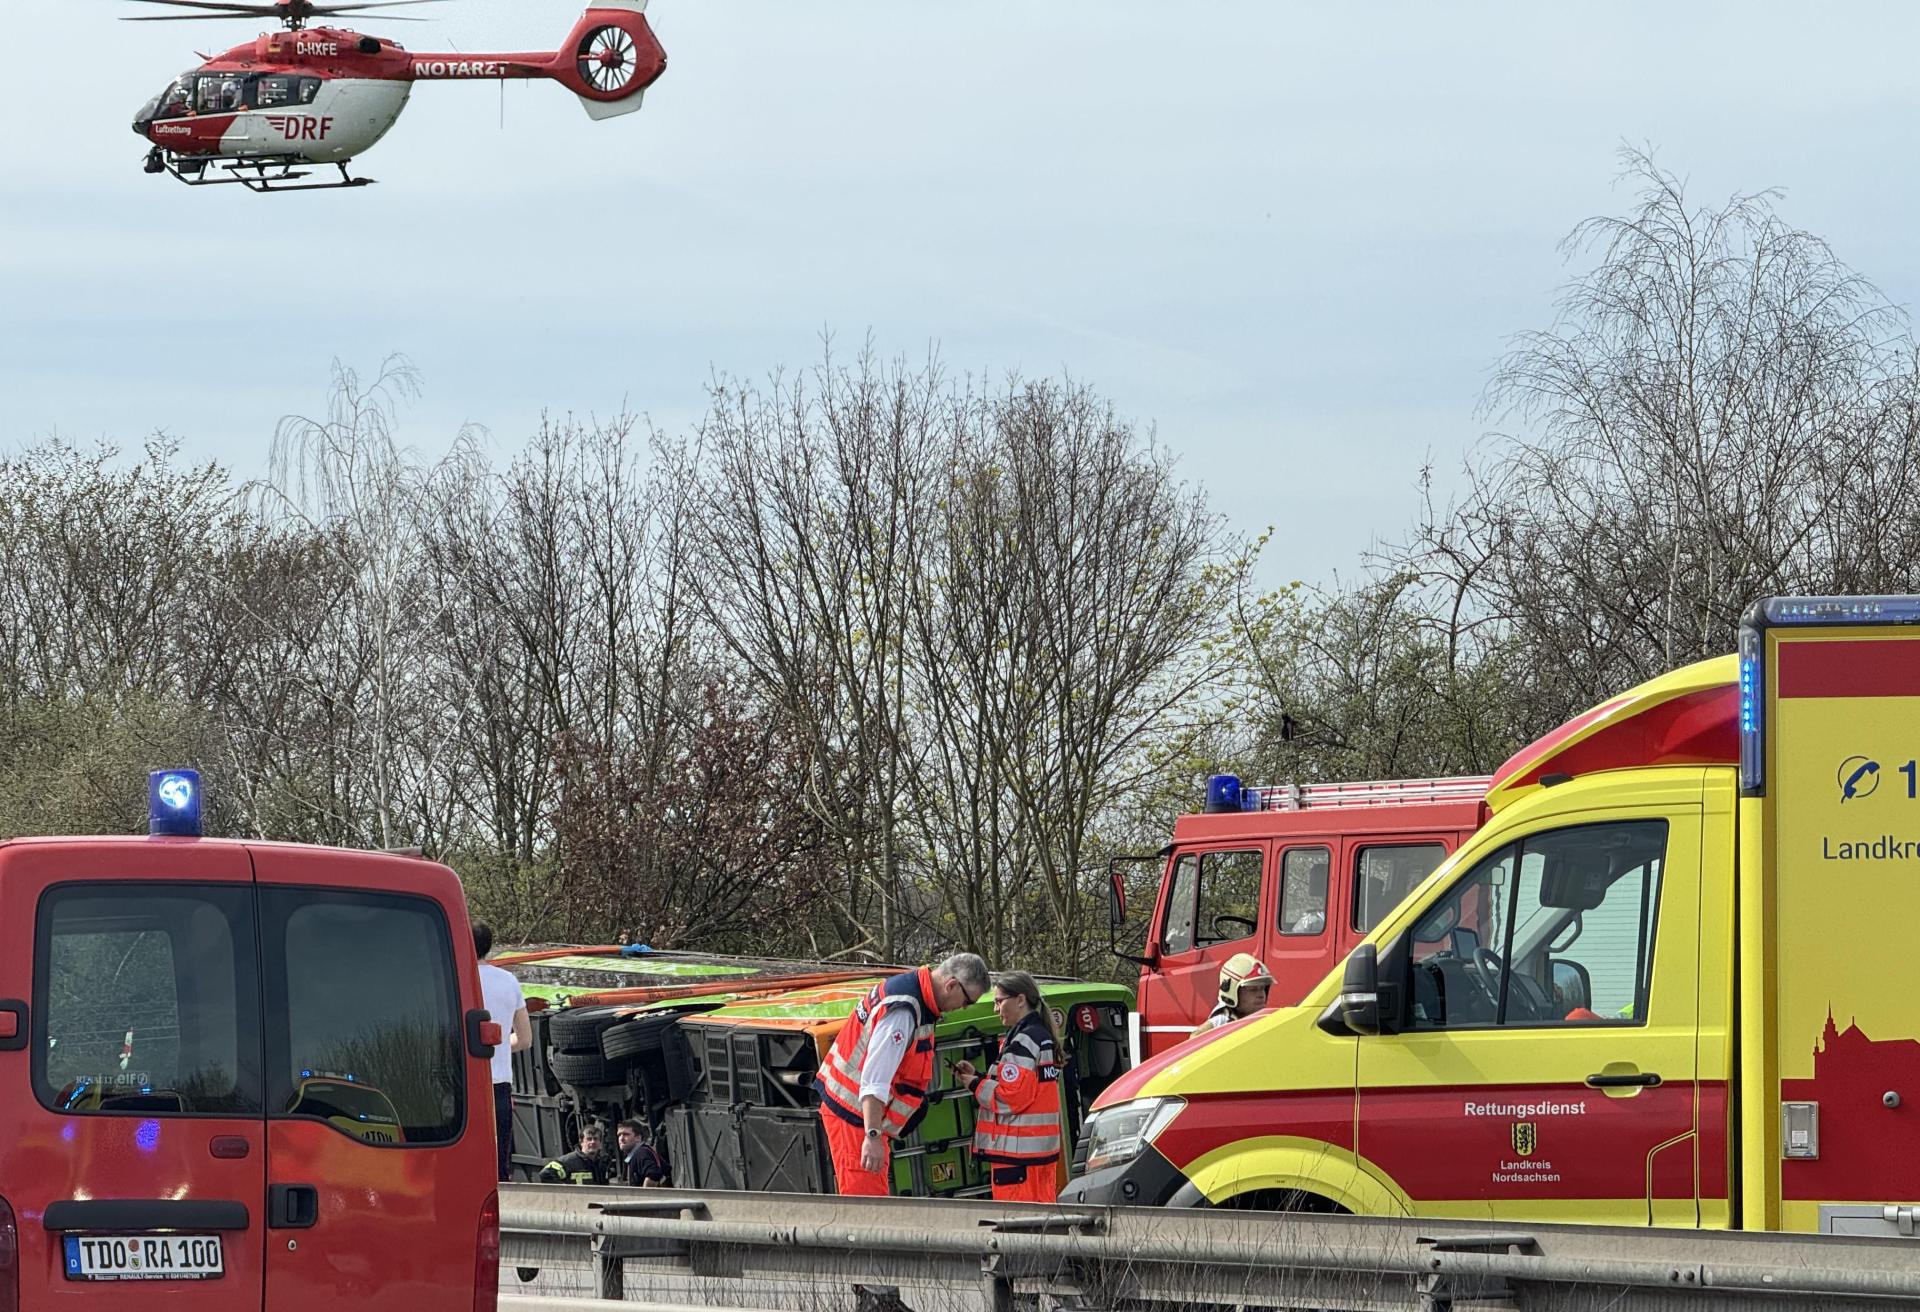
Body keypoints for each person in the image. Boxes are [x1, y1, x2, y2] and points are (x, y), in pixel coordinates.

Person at [815, 951, 990, 1195]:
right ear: (951, 985)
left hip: (861, 1116)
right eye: (967, 1001)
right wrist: (873, 1136)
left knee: (872, 1201)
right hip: (856, 1118)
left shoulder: (913, 995)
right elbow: (874, 1080)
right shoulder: (903, 1012)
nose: (963, 1008)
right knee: (869, 1204)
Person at [954, 971, 1062, 1203]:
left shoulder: (1023, 1041)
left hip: (1017, 1158)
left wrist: (975, 1084)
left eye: (999, 1001)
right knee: (1042, 1220)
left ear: (1020, 1000)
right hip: (1039, 1154)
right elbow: (1022, 1087)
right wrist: (979, 1076)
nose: (996, 1009)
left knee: (1015, 1222)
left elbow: (1010, 1098)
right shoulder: (1040, 1037)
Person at [474, 921, 533, 1181]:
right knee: (497, 1167)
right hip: (499, 1083)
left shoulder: (453, 977)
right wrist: (498, 1044)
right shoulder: (509, 981)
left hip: (463, 1084)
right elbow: (525, 1039)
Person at [1189, 952, 1274, 1038]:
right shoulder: (1224, 1018)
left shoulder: (1263, 1016)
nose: (1261, 995)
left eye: (1263, 988)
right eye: (1253, 990)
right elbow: (1195, 1037)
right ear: (1232, 993)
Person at [538, 1122, 611, 1185]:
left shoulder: (602, 1164)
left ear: (600, 1142)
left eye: (595, 1139)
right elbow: (546, 1174)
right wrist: (566, 1191)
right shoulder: (569, 1161)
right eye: (589, 1139)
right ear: (581, 1142)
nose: (593, 1142)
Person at [615, 1118, 668, 1187]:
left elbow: (654, 1174)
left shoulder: (642, 1153)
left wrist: (643, 1193)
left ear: (638, 1137)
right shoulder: (637, 1154)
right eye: (619, 1135)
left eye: (626, 1134)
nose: (621, 1139)